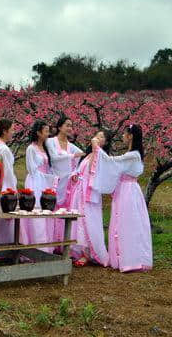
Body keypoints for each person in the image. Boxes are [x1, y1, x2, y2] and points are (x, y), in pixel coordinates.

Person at [91, 124, 153, 272]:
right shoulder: (133, 154)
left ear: (130, 136)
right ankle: (125, 257)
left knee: (127, 223)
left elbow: (111, 162)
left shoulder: (132, 155)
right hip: (127, 190)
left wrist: (97, 148)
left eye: (125, 134)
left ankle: (130, 259)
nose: (123, 136)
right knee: (127, 222)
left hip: (128, 191)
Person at [66, 129, 112, 267]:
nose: (98, 137)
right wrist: (75, 175)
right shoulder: (88, 155)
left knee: (88, 221)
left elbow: (95, 171)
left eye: (102, 136)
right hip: (79, 190)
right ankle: (77, 250)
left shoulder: (102, 156)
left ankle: (88, 253)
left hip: (90, 193)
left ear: (106, 142)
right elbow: (80, 170)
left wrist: (95, 145)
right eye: (97, 135)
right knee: (78, 220)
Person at [45, 116, 84, 249]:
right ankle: (50, 243)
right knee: (51, 210)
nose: (69, 128)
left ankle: (61, 243)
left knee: (63, 212)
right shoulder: (50, 142)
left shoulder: (71, 146)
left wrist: (75, 173)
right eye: (67, 125)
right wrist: (72, 156)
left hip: (66, 184)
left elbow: (81, 157)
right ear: (60, 127)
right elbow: (55, 158)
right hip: (53, 181)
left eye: (71, 126)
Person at [20, 120, 58, 251]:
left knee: (46, 209)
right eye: (46, 131)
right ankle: (35, 247)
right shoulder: (31, 148)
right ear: (38, 133)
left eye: (48, 130)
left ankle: (46, 247)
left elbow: (49, 167)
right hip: (35, 181)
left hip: (44, 182)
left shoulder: (46, 147)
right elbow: (31, 168)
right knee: (36, 211)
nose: (48, 133)